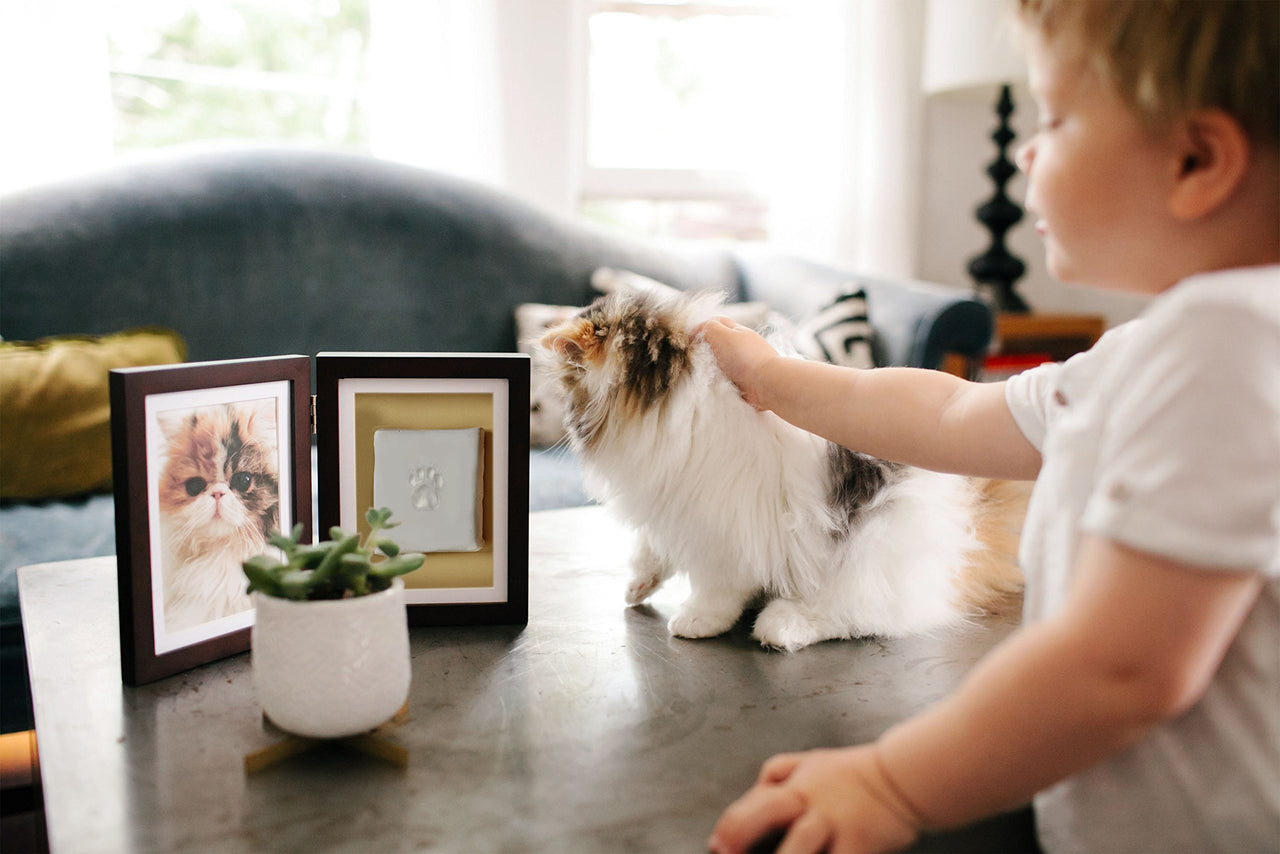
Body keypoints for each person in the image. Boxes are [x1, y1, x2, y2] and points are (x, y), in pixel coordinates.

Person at [700, 1, 1279, 852]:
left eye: (1055, 117)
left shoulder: (1226, 341)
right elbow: (951, 411)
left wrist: (891, 782)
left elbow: (1120, 668)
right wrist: (775, 380)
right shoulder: (1163, 350)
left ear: (1196, 158)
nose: (1025, 150)